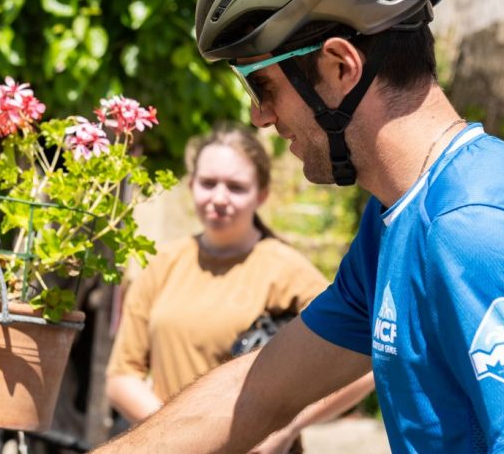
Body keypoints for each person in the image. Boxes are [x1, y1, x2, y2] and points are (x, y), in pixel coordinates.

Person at [93, 0, 504, 453]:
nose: (260, 116)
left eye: (261, 85)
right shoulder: (395, 219)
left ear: (340, 67)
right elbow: (255, 396)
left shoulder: (474, 226)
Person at [105, 124, 375, 453]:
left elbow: (364, 359)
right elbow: (122, 376)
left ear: (261, 194)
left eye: (235, 187)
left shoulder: (284, 269)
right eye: (208, 183)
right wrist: (179, 436)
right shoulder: (162, 264)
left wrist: (287, 426)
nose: (219, 198)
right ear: (191, 186)